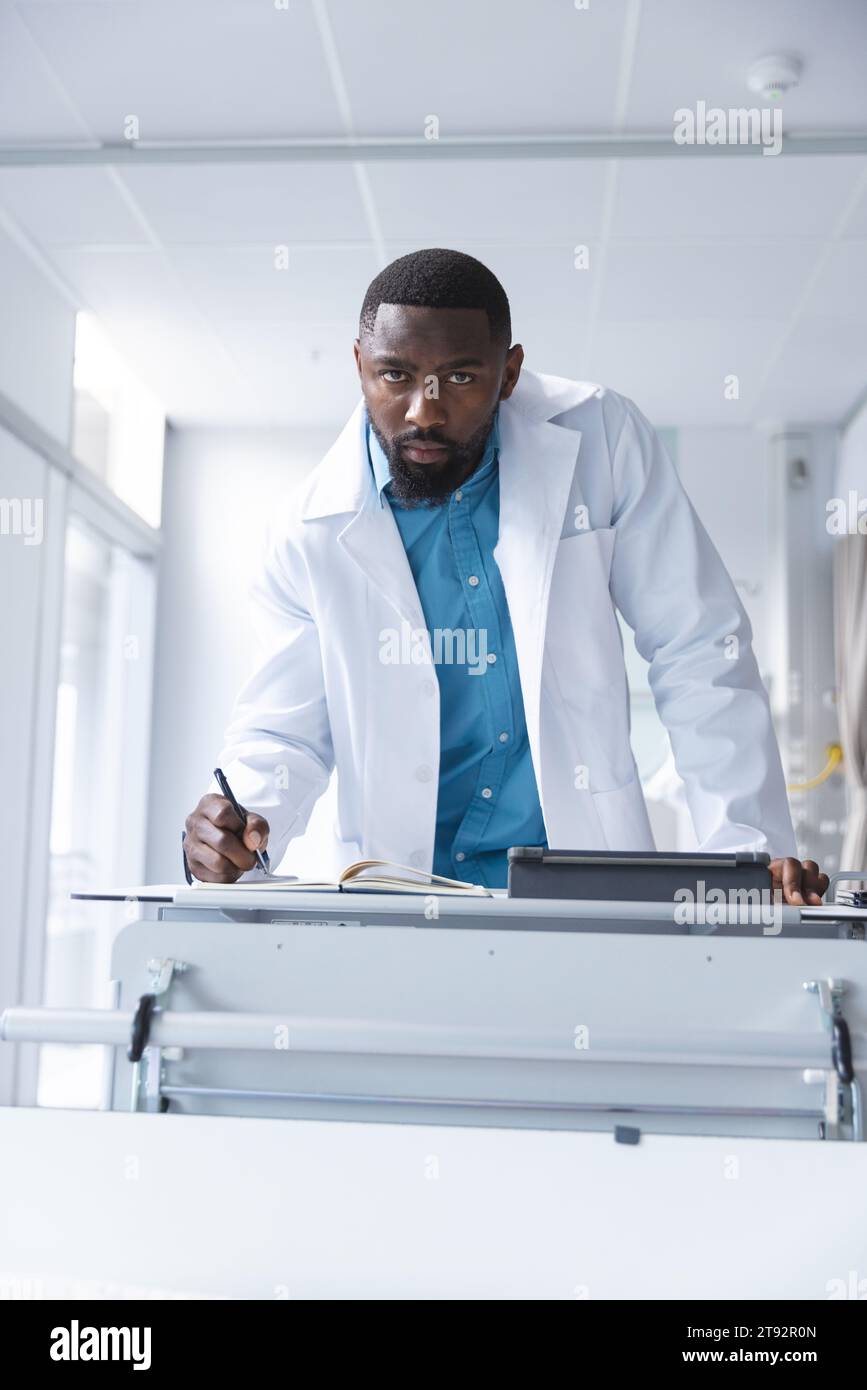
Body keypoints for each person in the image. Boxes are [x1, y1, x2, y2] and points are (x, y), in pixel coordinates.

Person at [183, 247, 827, 905]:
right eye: (395, 375)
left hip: (577, 875)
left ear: (509, 371)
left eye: (460, 378)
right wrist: (234, 826)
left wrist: (747, 853)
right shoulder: (307, 528)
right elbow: (284, 730)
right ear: (358, 366)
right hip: (401, 890)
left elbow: (697, 647)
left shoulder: (601, 437)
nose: (423, 412)